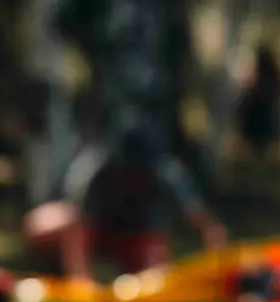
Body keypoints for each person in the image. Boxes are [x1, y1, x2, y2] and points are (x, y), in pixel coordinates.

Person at [24, 109, 227, 282]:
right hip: (98, 232)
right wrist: (81, 279)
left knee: (155, 276)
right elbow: (77, 223)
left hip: (139, 237)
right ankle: (60, 271)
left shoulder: (166, 171)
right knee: (41, 224)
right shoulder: (93, 168)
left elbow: (202, 221)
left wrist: (218, 262)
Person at [236, 45, 280, 158]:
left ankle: (260, 145)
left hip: (264, 112)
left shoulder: (272, 76)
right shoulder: (265, 75)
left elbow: (273, 93)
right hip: (261, 111)